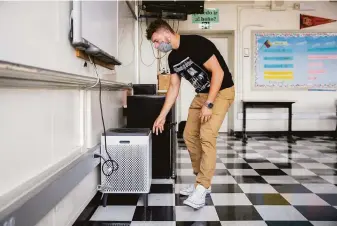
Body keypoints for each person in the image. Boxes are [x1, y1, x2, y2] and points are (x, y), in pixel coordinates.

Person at [147, 19, 235, 209]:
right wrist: (162, 115)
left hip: (221, 92)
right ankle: (200, 182)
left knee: (206, 135)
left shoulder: (196, 43)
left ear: (166, 34)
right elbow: (173, 87)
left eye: (156, 40)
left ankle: (203, 187)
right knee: (189, 135)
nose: (156, 45)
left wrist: (209, 104)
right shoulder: (172, 58)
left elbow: (218, 73)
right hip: (202, 94)